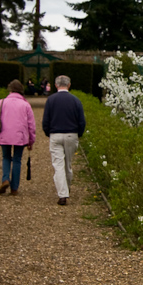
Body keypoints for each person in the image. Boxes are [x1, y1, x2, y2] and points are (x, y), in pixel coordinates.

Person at [42, 75, 86, 206]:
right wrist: (79, 134)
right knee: (68, 164)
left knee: (58, 165)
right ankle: (66, 189)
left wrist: (48, 132)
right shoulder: (76, 100)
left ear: (56, 85)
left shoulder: (51, 100)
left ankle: (63, 194)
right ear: (69, 85)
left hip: (55, 134)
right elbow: (81, 121)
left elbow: (46, 121)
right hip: (71, 135)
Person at [0, 79, 36, 196]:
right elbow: (31, 125)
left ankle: (5, 179)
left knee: (6, 157)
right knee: (17, 160)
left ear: (10, 89)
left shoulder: (1, 102)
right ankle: (14, 188)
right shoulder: (25, 105)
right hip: (20, 136)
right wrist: (31, 141)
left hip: (4, 135)